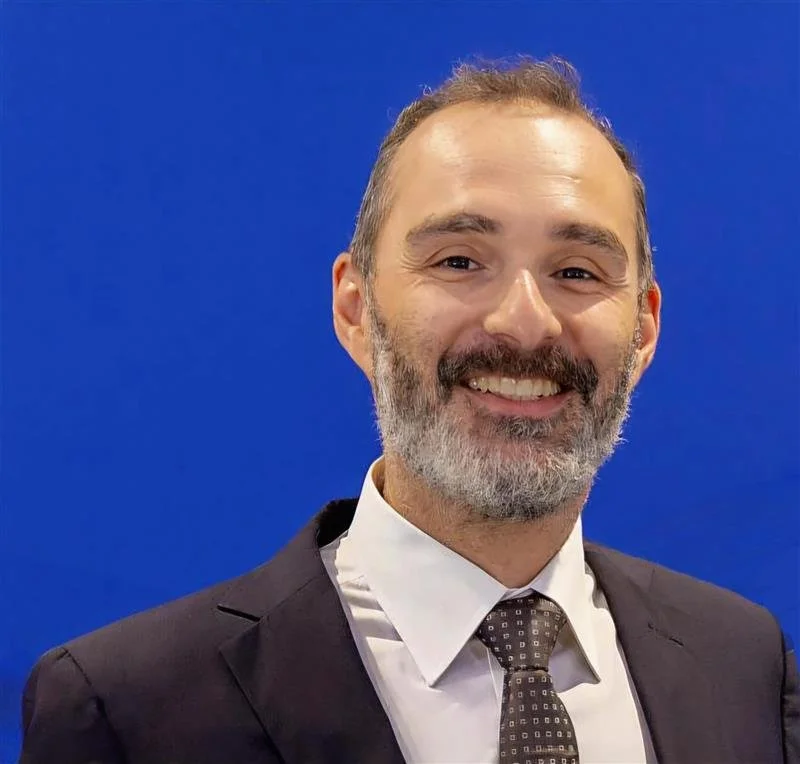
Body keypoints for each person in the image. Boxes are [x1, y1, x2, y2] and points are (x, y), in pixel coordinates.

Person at [20, 56, 798, 764]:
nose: (524, 322)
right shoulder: (128, 709)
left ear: (644, 330)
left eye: (576, 270)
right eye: (459, 260)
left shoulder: (744, 664)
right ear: (356, 310)